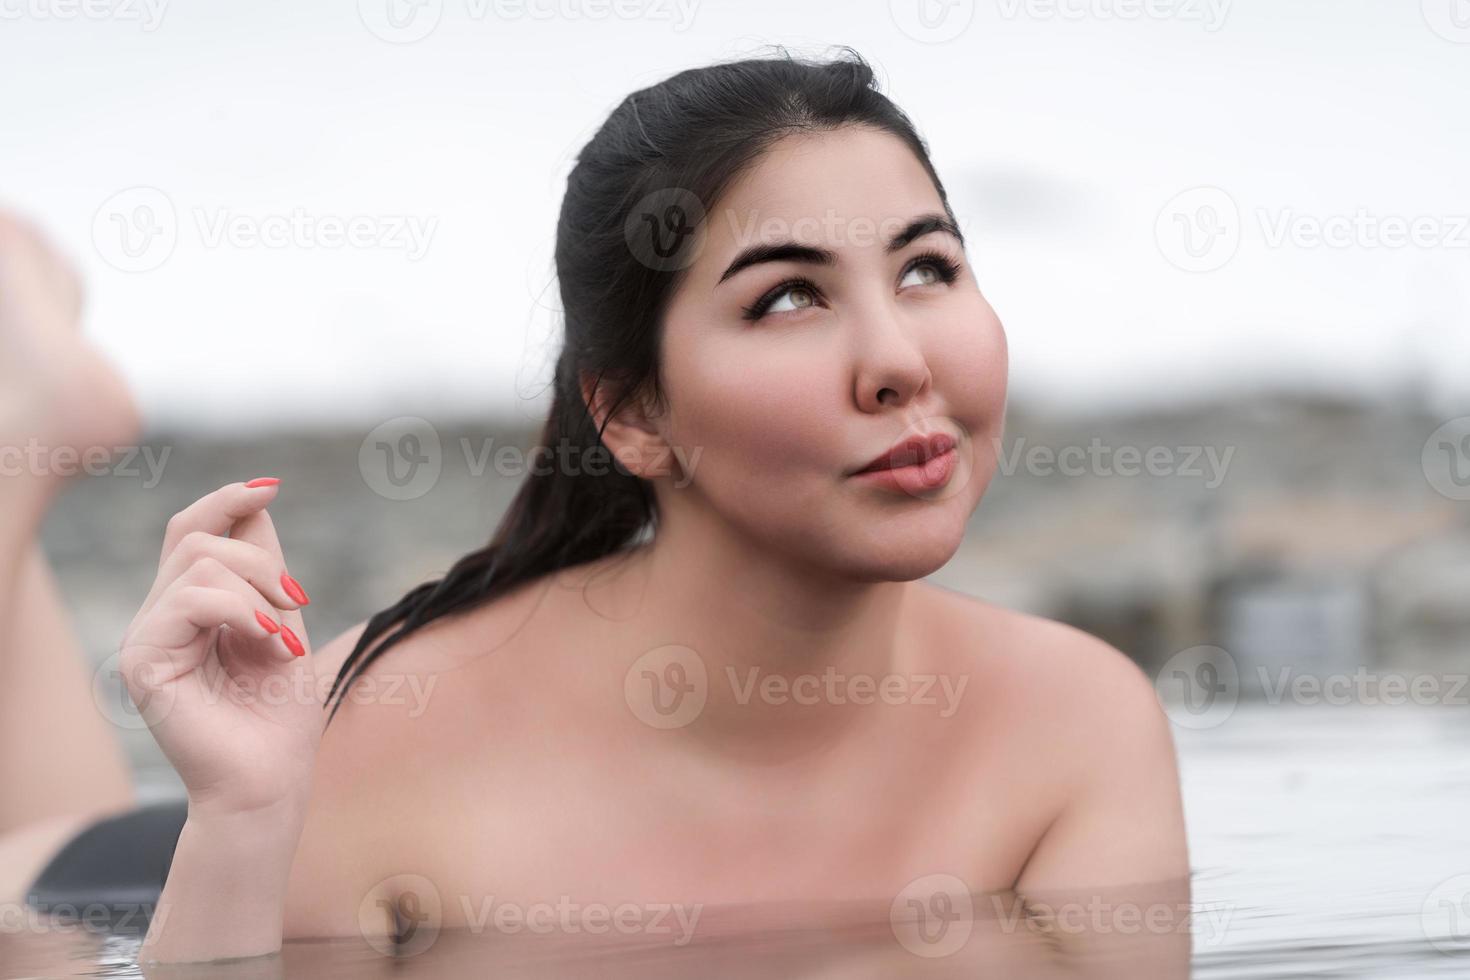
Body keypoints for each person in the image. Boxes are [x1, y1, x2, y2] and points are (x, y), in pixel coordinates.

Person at [0, 48, 1190, 967]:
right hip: (165, 886)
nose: (897, 361)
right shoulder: (366, 733)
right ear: (632, 416)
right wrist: (248, 817)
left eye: (927, 268)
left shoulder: (1080, 724)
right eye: (787, 298)